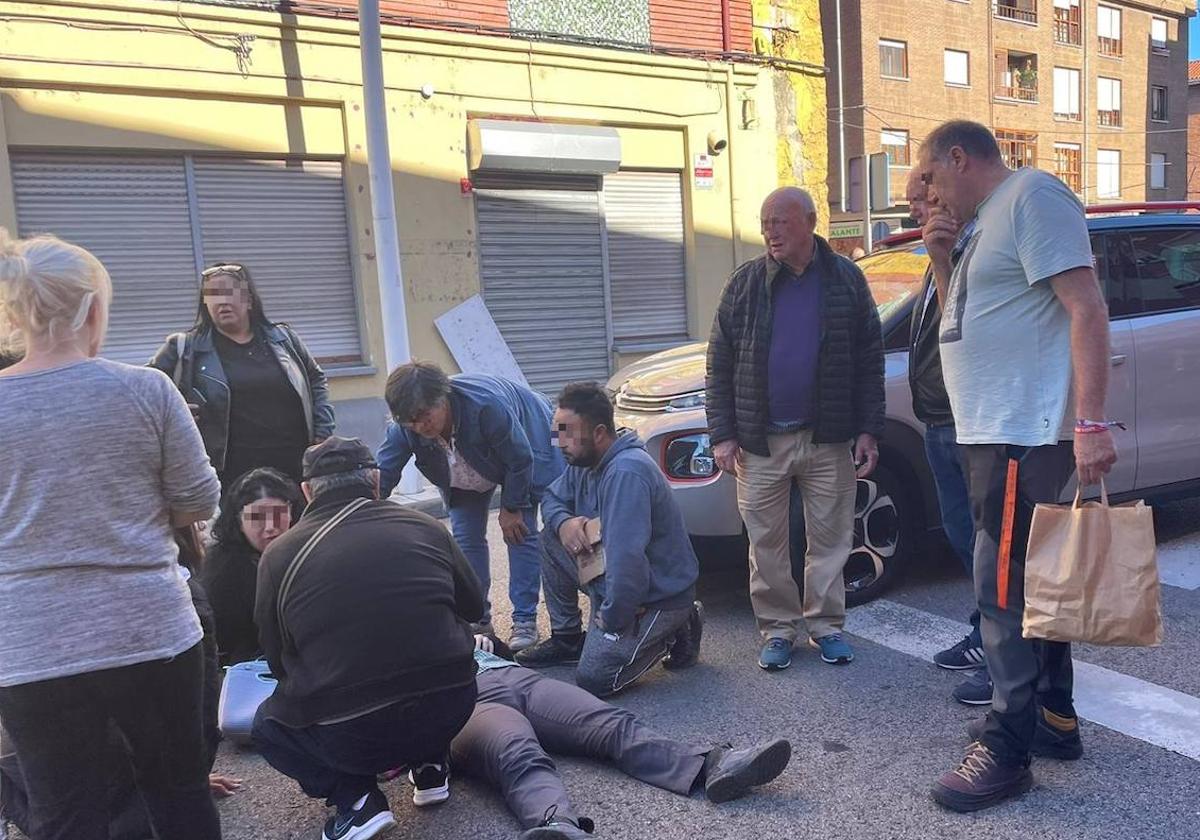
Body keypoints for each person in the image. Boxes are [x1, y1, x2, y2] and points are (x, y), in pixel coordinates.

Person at [917, 121, 1116, 811]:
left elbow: (1087, 308)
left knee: (998, 589)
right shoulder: (978, 228)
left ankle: (1007, 744)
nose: (928, 195)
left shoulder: (1032, 196)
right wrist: (942, 258)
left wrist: (1089, 424)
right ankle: (1054, 719)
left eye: (931, 179)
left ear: (959, 157)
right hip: (990, 431)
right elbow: (959, 326)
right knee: (1036, 586)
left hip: (1021, 433)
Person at [0, 229, 223, 839]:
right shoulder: (146, 390)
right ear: (93, 308)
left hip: (29, 643)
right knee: (177, 792)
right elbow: (199, 499)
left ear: (16, 314)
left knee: (67, 813)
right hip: (148, 628)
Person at [252, 437, 485, 840]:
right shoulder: (427, 527)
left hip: (351, 733)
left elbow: (277, 659)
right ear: (375, 481)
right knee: (432, 647)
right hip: (450, 704)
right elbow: (473, 606)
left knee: (268, 725)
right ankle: (430, 766)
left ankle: (356, 799)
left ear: (307, 490)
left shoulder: (280, 555)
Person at [705, 186, 886, 671]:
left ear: (808, 222)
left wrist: (869, 429)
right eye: (765, 224)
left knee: (830, 540)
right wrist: (722, 433)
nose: (770, 232)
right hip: (759, 442)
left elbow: (870, 358)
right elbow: (718, 361)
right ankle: (779, 629)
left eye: (779, 222)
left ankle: (826, 627)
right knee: (765, 543)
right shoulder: (744, 284)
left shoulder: (846, 279)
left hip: (828, 438)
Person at [439, 635, 791, 840]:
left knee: (609, 723)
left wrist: (487, 640)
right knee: (516, 751)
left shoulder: (443, 606)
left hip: (515, 678)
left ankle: (710, 764)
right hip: (459, 699)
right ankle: (555, 824)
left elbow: (504, 649)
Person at [515, 383, 703, 697]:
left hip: (653, 595)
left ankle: (677, 627)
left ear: (600, 433)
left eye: (567, 432)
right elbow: (551, 497)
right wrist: (564, 523)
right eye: (556, 432)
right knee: (550, 536)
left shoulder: (626, 473)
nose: (559, 442)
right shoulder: (585, 462)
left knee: (596, 679)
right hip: (615, 577)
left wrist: (614, 618)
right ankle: (567, 638)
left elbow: (627, 560)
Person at [377, 361, 566, 652]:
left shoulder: (487, 407)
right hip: (462, 470)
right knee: (466, 540)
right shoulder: (405, 427)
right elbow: (383, 474)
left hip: (526, 442)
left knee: (520, 532)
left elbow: (519, 459)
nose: (419, 427)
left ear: (444, 398)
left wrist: (512, 507)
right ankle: (478, 618)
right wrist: (363, 511)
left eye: (424, 417)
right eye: (410, 422)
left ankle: (525, 619)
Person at [904, 170, 990, 707]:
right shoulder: (942, 250)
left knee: (992, 546)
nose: (916, 208)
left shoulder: (974, 252)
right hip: (940, 422)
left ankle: (1007, 654)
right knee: (966, 538)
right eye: (912, 199)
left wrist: (941, 259)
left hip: (971, 423)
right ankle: (988, 634)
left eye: (922, 196)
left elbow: (963, 325)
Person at [149, 262, 335, 490]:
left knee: (296, 525)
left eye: (229, 292)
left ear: (248, 299)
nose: (222, 302)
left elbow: (315, 380)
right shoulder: (184, 349)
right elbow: (145, 393)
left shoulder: (284, 340)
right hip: (229, 477)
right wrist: (175, 411)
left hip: (294, 469)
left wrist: (322, 433)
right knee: (255, 525)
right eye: (213, 295)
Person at [202, 467, 304, 665]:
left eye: (278, 514)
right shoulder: (221, 572)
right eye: (257, 517)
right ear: (239, 521)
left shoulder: (308, 552)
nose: (271, 527)